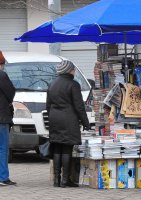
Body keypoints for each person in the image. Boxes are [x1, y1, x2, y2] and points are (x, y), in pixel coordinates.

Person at [46, 60, 90, 188]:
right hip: (68, 118)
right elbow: (79, 106)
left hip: (54, 118)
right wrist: (86, 122)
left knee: (57, 147)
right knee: (67, 148)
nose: (74, 71)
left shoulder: (52, 84)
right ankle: (66, 180)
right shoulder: (73, 84)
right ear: (69, 70)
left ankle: (56, 180)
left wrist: (52, 116)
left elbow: (48, 105)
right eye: (73, 69)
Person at [0, 51, 16, 186]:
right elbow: (11, 92)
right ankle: (3, 177)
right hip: (1, 118)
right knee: (2, 148)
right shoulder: (2, 75)